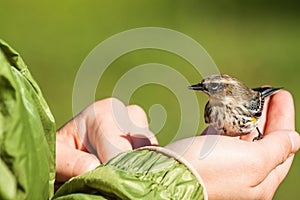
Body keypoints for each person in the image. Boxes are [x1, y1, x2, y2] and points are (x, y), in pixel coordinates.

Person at [1, 40, 299, 199]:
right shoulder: (213, 112)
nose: (203, 92)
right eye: (204, 89)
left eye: (209, 89)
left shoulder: (247, 105)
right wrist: (182, 180)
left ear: (226, 92)